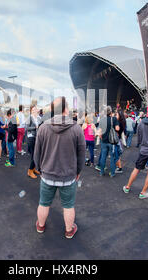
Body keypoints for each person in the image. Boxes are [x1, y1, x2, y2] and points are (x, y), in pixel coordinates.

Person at [33, 97, 85, 239]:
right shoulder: (76, 128)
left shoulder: (43, 127)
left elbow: (36, 152)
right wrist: (78, 171)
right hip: (68, 176)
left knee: (43, 203)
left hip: (47, 174)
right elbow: (82, 154)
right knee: (68, 205)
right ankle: (69, 230)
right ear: (66, 109)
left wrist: (39, 169)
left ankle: (40, 226)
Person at [123, 104, 148, 199]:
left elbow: (139, 138)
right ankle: (143, 192)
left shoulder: (141, 123)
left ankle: (127, 187)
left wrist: (141, 145)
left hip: (143, 150)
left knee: (136, 169)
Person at [96, 106, 119, 177]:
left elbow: (99, 132)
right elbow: (117, 129)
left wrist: (101, 138)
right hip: (112, 142)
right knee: (112, 157)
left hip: (104, 141)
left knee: (103, 156)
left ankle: (101, 172)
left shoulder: (102, 120)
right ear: (111, 112)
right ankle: (112, 173)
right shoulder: (114, 119)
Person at [26, 105, 41, 178]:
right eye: (34, 109)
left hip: (37, 137)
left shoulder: (38, 117)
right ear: (31, 110)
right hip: (31, 137)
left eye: (36, 109)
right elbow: (27, 128)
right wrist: (35, 127)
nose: (35, 110)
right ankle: (30, 171)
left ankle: (34, 169)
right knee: (34, 155)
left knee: (37, 154)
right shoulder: (30, 117)